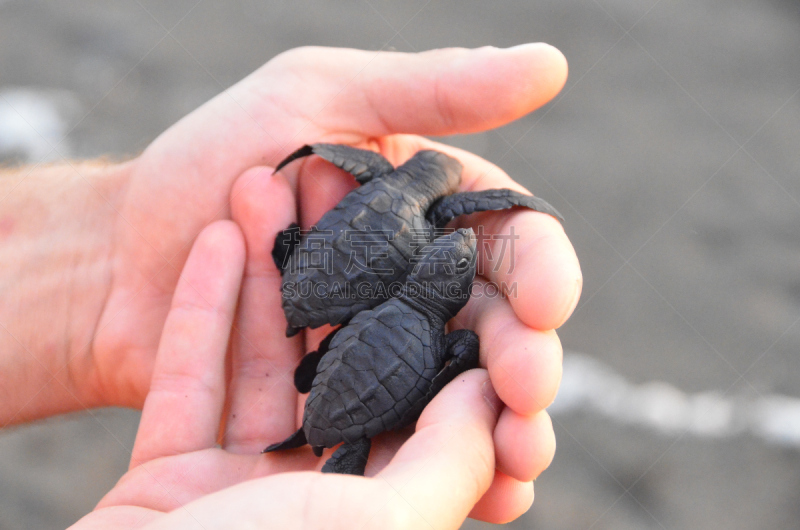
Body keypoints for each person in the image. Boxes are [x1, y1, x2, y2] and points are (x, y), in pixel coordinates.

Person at [0, 44, 581, 528]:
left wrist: (306, 154)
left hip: (337, 294)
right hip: (373, 318)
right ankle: (323, 429)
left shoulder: (391, 220)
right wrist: (524, 208)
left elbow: (363, 329)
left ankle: (313, 416)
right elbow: (421, 340)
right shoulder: (430, 287)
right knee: (464, 370)